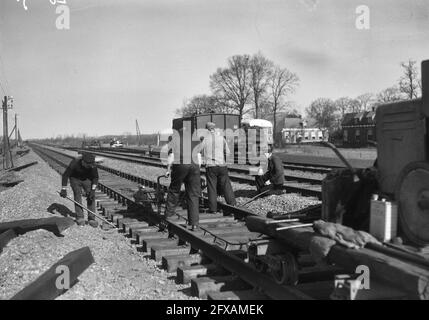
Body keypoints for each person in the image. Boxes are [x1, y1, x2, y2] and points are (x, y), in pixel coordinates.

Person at [164, 129, 201, 231]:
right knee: (193, 194)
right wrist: (197, 169)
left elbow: (171, 155)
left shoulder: (173, 137)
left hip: (180, 165)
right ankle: (194, 224)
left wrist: (168, 170)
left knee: (174, 191)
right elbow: (198, 155)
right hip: (194, 165)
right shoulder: (195, 138)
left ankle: (168, 217)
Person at [198, 122, 236, 213]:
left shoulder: (205, 140)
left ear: (207, 130)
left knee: (212, 187)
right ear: (214, 129)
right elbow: (228, 152)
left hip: (211, 166)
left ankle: (213, 209)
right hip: (222, 165)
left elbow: (198, 150)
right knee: (226, 185)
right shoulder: (221, 138)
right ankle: (232, 204)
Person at [60, 152, 99, 227]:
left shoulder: (92, 165)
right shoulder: (75, 162)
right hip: (75, 178)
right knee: (77, 195)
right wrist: (64, 189)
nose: (89, 167)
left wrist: (93, 190)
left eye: (90, 165)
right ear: (83, 162)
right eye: (87, 165)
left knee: (91, 196)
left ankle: (91, 218)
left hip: (87, 179)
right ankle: (80, 217)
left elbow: (95, 177)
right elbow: (65, 175)